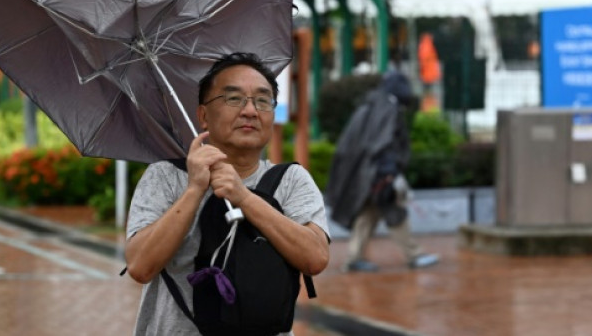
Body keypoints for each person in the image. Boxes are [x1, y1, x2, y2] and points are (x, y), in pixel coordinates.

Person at [124, 52, 331, 336]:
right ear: (203, 115)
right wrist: (195, 188)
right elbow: (140, 266)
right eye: (233, 98)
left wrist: (243, 197)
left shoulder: (292, 180)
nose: (250, 111)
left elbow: (315, 258)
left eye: (262, 100)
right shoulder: (165, 177)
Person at [325, 70, 439, 272]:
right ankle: (414, 254)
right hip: (378, 174)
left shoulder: (372, 104)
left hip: (367, 173)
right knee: (393, 211)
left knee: (368, 214)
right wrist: (389, 172)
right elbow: (384, 142)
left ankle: (354, 258)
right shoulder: (388, 108)